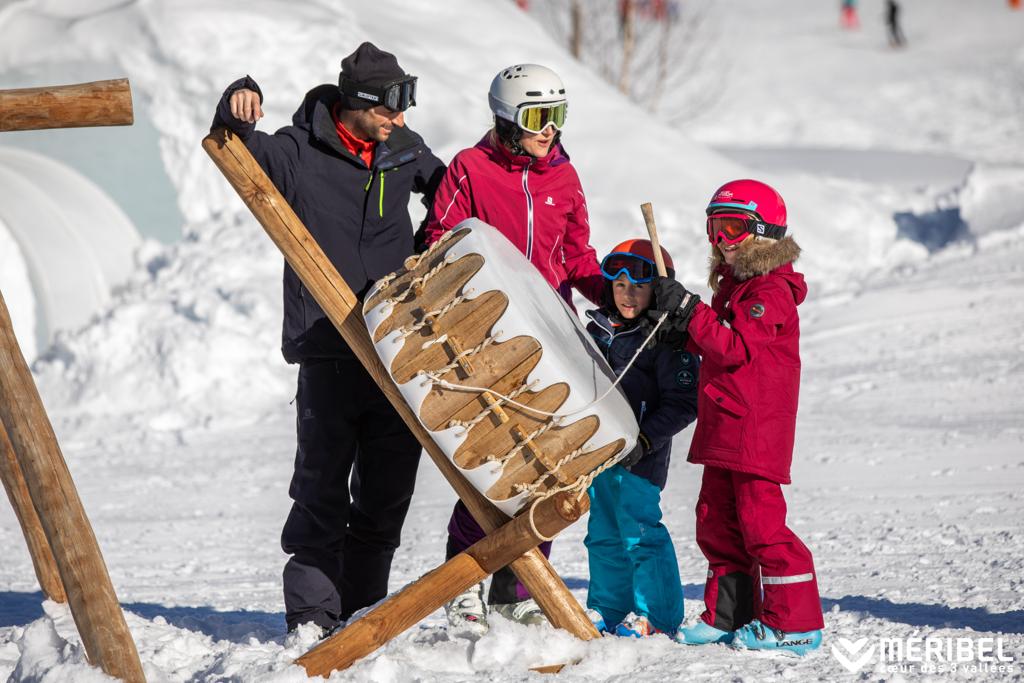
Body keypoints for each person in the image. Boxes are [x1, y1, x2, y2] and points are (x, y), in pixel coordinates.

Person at [211, 42, 445, 635]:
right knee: (320, 493)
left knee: (386, 497)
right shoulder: (299, 152)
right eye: (389, 106)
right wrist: (236, 100)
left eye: (404, 103)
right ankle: (313, 619)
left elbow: (454, 193)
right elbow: (236, 147)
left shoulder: (404, 148)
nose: (399, 116)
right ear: (356, 103)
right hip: (329, 349)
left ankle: (363, 613)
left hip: (396, 352)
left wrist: (427, 251)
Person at [421, 63, 605, 636]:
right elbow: (439, 240)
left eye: (558, 115)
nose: (550, 129)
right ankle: (464, 581)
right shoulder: (470, 168)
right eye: (537, 117)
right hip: (490, 337)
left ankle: (516, 590)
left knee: (547, 465)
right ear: (505, 118)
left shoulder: (564, 176)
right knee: (492, 463)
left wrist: (624, 297)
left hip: (550, 338)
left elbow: (577, 258)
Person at [650, 179, 824, 655]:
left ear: (764, 233)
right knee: (715, 521)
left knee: (762, 526)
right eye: (714, 228)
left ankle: (796, 625)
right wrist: (679, 331)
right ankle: (729, 614)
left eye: (732, 227)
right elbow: (717, 337)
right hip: (726, 424)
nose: (721, 239)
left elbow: (735, 346)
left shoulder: (772, 290)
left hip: (755, 430)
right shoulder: (736, 287)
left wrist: (689, 310)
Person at [583, 240, 699, 638]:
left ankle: (658, 615)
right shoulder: (598, 330)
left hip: (641, 456)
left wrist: (645, 440)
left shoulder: (667, 338)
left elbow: (684, 403)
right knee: (602, 533)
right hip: (599, 452)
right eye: (619, 285)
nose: (627, 294)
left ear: (658, 289)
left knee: (639, 532)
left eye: (638, 286)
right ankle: (608, 608)